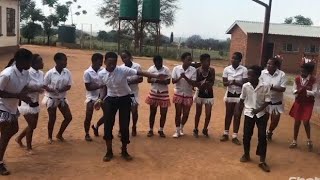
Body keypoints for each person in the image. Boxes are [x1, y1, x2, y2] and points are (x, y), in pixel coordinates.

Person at [94, 52, 167, 162]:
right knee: (108, 126)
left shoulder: (122, 70)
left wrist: (156, 76)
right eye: (109, 63)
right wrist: (100, 99)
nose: (112, 65)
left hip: (124, 99)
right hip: (110, 99)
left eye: (114, 63)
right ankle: (109, 151)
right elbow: (104, 88)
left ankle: (124, 150)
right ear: (104, 63)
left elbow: (140, 72)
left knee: (124, 126)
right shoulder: (101, 74)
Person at [0, 48, 33, 176]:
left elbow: (24, 85)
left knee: (13, 129)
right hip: (2, 107)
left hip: (12, 108)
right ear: (21, 60)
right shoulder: (7, 74)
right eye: (29, 61)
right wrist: (18, 96)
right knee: (6, 133)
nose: (30, 64)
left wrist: (25, 94)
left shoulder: (25, 73)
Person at [237, 65, 271, 172]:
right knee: (246, 135)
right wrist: (238, 111)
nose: (248, 77)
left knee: (262, 136)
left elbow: (267, 101)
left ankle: (262, 161)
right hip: (248, 113)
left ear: (257, 75)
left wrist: (258, 110)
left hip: (261, 114)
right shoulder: (245, 86)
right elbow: (242, 99)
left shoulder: (265, 86)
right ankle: (246, 154)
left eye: (251, 75)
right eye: (248, 75)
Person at [15, 54, 45, 154]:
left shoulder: (41, 73)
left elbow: (43, 85)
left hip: (35, 102)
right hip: (25, 103)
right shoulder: (27, 73)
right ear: (34, 63)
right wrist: (36, 89)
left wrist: (49, 89)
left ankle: (19, 138)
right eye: (40, 61)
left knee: (33, 125)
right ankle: (29, 147)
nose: (42, 63)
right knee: (31, 125)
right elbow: (23, 88)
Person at [43, 53, 73, 144]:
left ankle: (59, 134)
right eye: (63, 60)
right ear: (57, 61)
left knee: (68, 117)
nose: (65, 62)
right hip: (51, 98)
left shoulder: (67, 72)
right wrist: (51, 90)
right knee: (52, 118)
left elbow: (69, 86)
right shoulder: (50, 73)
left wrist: (60, 90)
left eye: (66, 60)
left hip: (62, 98)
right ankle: (49, 137)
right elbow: (44, 85)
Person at [289, 59, 317, 152]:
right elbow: (293, 90)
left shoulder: (313, 80)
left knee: (306, 121)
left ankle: (309, 140)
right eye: (301, 71)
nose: (302, 73)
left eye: (304, 71)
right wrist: (297, 91)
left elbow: (315, 92)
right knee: (297, 122)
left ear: (309, 72)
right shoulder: (297, 79)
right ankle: (294, 141)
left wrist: (306, 91)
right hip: (299, 102)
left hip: (308, 103)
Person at [220, 52, 248, 145]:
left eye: (236, 59)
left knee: (237, 115)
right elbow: (224, 83)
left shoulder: (244, 70)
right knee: (228, 114)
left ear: (240, 60)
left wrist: (233, 82)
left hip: (240, 94)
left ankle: (235, 136)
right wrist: (233, 82)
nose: (233, 60)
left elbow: (244, 83)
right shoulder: (226, 69)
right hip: (230, 93)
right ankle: (225, 133)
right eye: (232, 58)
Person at [260, 57, 287, 141]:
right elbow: (259, 84)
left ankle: (270, 131)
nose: (268, 65)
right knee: (264, 119)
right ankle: (263, 134)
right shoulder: (263, 73)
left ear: (276, 66)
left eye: (270, 64)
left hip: (276, 102)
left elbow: (283, 89)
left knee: (275, 120)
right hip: (265, 101)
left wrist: (271, 87)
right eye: (267, 63)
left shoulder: (282, 74)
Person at [171, 52, 197, 138]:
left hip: (188, 94)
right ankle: (177, 130)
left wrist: (185, 77)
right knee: (178, 113)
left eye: (190, 60)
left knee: (186, 113)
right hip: (178, 93)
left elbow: (193, 83)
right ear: (183, 60)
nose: (190, 61)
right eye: (188, 59)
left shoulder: (193, 70)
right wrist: (180, 77)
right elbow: (173, 81)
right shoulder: (176, 69)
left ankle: (181, 127)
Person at [145, 55, 171, 138]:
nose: (160, 63)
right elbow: (148, 80)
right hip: (154, 92)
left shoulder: (166, 69)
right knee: (152, 113)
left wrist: (155, 80)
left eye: (161, 62)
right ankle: (151, 129)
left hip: (163, 93)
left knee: (163, 113)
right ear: (154, 62)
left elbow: (168, 82)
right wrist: (160, 80)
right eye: (158, 62)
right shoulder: (151, 69)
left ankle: (161, 130)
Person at [120, 50, 143, 137]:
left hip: (133, 93)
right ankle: (122, 129)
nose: (124, 59)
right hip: (124, 93)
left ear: (130, 57)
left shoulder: (137, 66)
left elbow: (140, 79)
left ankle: (134, 126)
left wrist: (130, 81)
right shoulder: (121, 68)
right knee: (124, 113)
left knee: (134, 111)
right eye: (122, 58)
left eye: (125, 57)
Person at [193, 54, 215, 138]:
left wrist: (206, 84)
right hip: (200, 93)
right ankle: (195, 128)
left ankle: (205, 129)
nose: (209, 63)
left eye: (209, 61)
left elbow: (212, 82)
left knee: (208, 113)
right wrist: (201, 85)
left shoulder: (212, 70)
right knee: (198, 112)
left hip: (209, 94)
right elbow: (195, 83)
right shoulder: (197, 70)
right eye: (207, 61)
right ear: (201, 62)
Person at [83, 53, 104, 141]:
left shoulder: (103, 70)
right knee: (88, 115)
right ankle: (87, 133)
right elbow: (88, 87)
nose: (101, 63)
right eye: (100, 61)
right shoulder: (87, 72)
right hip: (92, 97)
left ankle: (96, 126)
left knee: (108, 114)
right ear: (94, 61)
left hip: (102, 96)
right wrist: (100, 85)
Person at [91, 67, 107, 137]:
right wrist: (100, 99)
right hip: (105, 97)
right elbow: (103, 88)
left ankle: (96, 126)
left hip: (114, 97)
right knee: (107, 115)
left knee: (108, 115)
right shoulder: (103, 74)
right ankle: (106, 133)